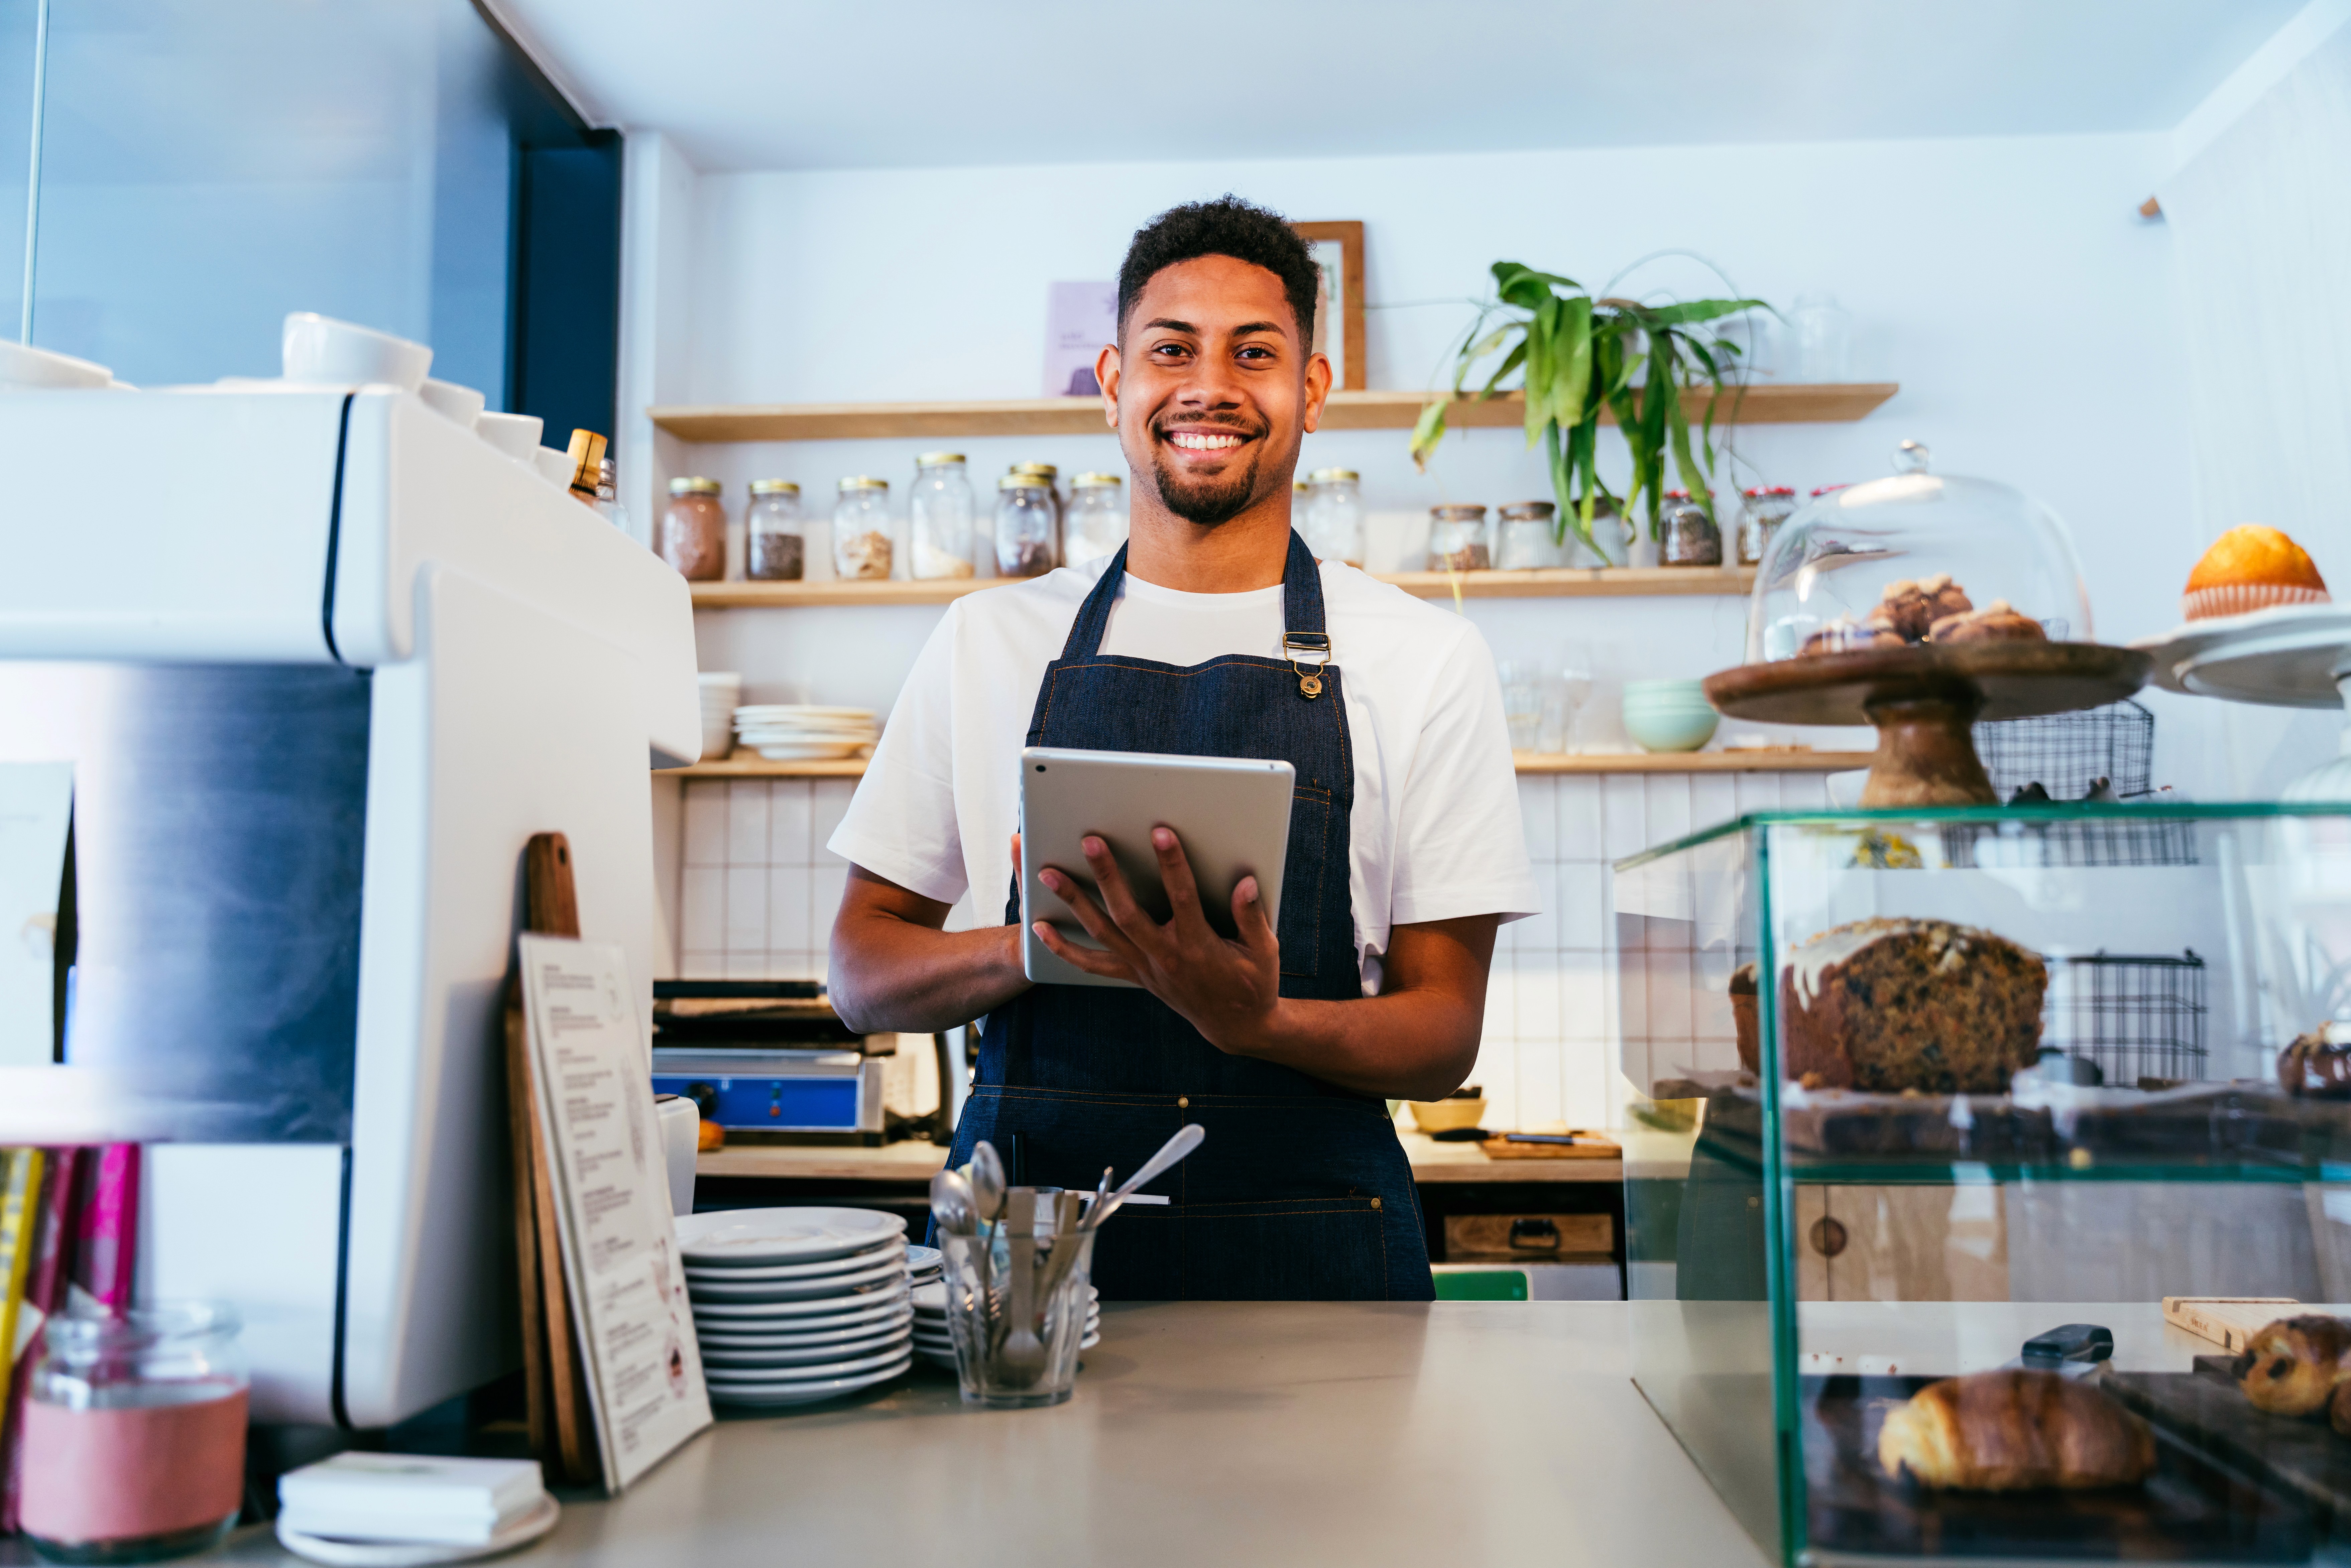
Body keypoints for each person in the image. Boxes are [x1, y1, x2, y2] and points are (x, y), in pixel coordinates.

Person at [827, 196, 1536, 1300]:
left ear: (1310, 390)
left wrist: (1259, 1021)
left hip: (1318, 1265)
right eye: (1172, 350)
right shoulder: (987, 640)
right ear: (1114, 385)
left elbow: (1443, 1031)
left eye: (1254, 352)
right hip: (1028, 1262)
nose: (1209, 385)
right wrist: (1036, 948)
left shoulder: (1425, 655)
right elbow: (860, 974)